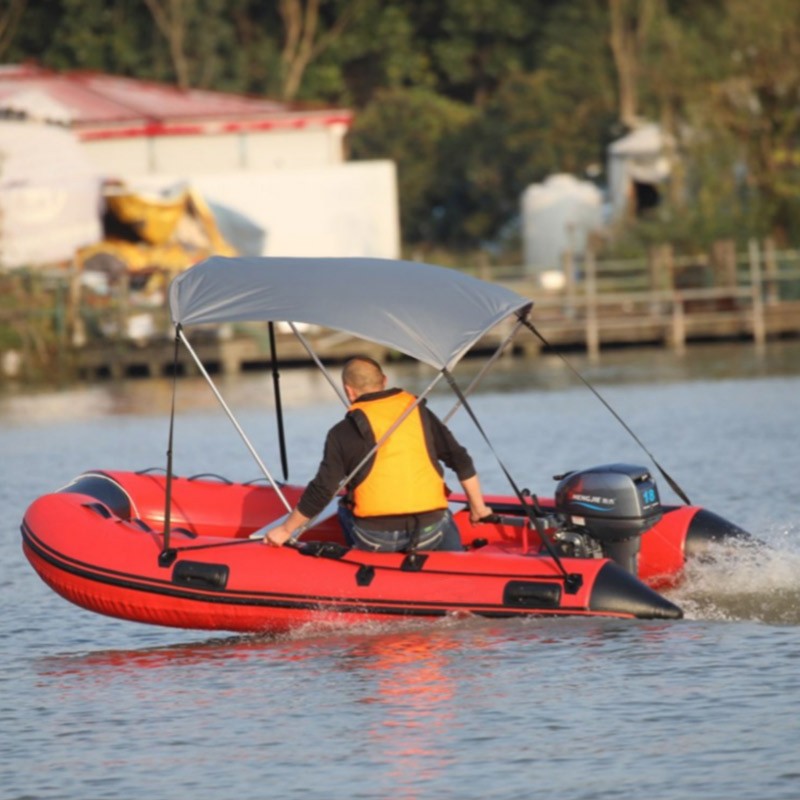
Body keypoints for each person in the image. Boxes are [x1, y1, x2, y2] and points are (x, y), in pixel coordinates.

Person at [264, 356, 493, 552]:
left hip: (375, 538)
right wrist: (478, 508)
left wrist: (286, 530)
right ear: (384, 381)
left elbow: (322, 490)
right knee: (443, 519)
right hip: (430, 530)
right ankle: (453, 562)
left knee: (344, 506)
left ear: (348, 391)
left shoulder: (341, 432)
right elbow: (460, 460)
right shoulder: (417, 413)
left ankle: (361, 568)